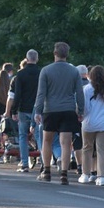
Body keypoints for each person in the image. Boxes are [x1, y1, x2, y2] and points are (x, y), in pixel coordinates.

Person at [33, 42, 85, 185]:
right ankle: (64, 174)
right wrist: (81, 110)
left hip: (50, 109)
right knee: (66, 143)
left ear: (54, 53)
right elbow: (80, 93)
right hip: (68, 109)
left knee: (47, 140)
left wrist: (38, 110)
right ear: (67, 54)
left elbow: (41, 93)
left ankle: (47, 171)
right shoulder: (74, 71)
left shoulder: (46, 70)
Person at [79, 65, 104, 186]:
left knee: (87, 148)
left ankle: (85, 174)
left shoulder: (86, 89)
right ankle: (101, 176)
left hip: (89, 122)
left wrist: (82, 117)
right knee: (102, 150)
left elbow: (84, 107)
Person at [5, 50, 41, 172]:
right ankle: (43, 161)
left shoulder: (20, 74)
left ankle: (24, 163)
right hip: (37, 109)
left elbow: (17, 94)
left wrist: (13, 110)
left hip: (23, 108)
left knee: (23, 136)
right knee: (38, 135)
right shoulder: (41, 73)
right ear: (37, 59)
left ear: (27, 58)